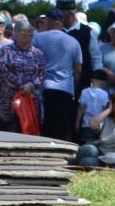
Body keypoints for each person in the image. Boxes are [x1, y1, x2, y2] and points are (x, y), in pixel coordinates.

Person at [33, 9, 83, 142]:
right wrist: (73, 86)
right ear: (61, 22)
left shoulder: (37, 38)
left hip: (43, 88)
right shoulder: (74, 42)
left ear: (48, 21)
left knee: (43, 127)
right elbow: (78, 69)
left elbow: (32, 63)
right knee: (59, 129)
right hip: (65, 89)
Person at [0, 19, 46, 132]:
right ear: (15, 33)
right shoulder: (6, 51)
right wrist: (20, 85)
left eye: (28, 31)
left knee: (29, 132)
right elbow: (2, 70)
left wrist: (30, 85)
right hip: (10, 99)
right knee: (10, 131)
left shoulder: (37, 53)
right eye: (22, 30)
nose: (26, 33)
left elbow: (42, 73)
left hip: (30, 99)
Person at [76, 69, 114, 143]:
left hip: (85, 124)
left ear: (91, 79)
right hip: (98, 125)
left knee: (85, 146)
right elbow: (104, 110)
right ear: (103, 82)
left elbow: (80, 109)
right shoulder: (104, 94)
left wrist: (77, 123)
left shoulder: (84, 91)